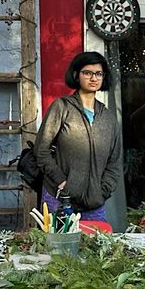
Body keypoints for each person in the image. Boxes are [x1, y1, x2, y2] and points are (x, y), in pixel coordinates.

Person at [34, 52, 123, 221]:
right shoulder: (62, 108)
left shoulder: (108, 118)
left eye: (98, 73)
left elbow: (114, 161)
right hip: (59, 199)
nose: (93, 78)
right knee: (56, 246)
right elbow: (41, 150)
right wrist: (61, 181)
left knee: (96, 246)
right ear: (76, 75)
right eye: (87, 73)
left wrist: (103, 190)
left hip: (94, 205)